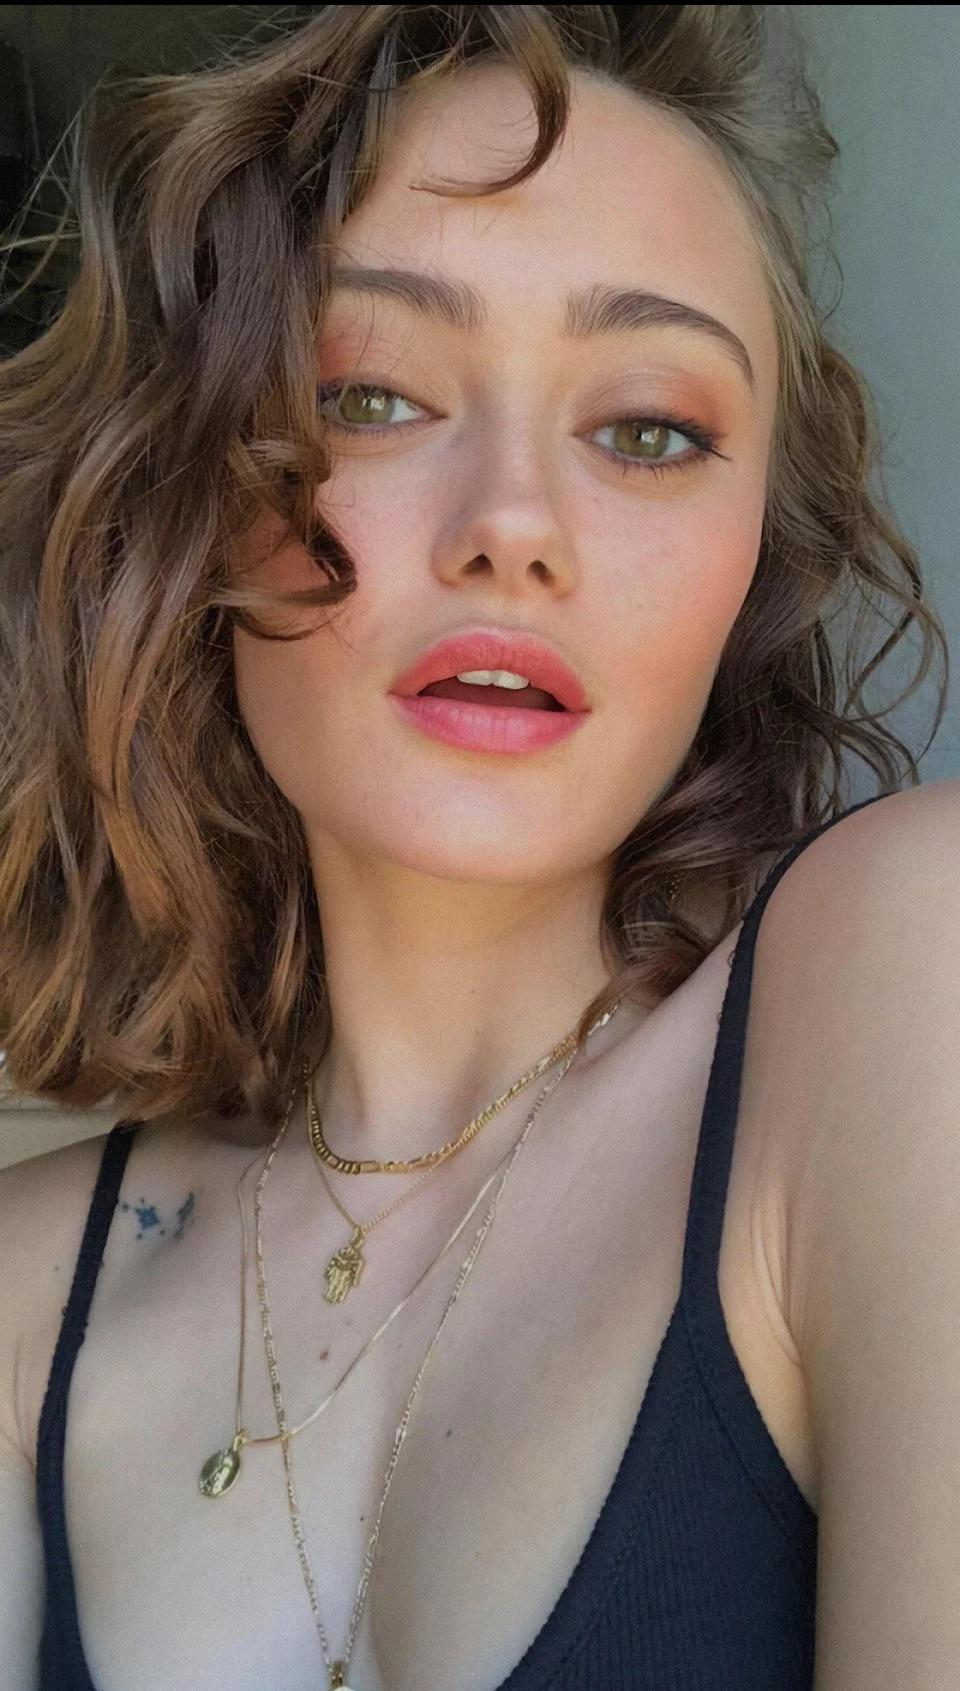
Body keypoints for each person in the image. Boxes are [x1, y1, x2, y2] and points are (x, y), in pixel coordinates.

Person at [0, 8, 952, 1691]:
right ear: (198, 497)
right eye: (370, 396)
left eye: (647, 429)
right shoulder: (23, 1305)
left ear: (756, 554)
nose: (513, 523)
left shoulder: (903, 983)